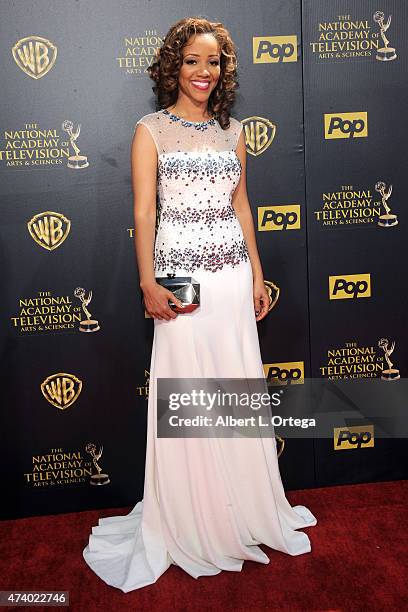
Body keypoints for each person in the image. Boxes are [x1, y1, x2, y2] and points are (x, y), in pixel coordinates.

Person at [82, 16, 317, 592]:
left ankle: (242, 509)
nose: (202, 71)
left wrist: (258, 274)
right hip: (182, 282)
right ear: (173, 67)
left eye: (212, 62)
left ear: (223, 70)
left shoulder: (233, 132)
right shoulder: (151, 131)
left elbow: (242, 208)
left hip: (233, 278)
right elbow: (144, 214)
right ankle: (190, 518)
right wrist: (146, 282)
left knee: (233, 388)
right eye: (192, 61)